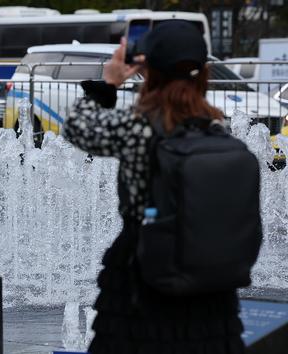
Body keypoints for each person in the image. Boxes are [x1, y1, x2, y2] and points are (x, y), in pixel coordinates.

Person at [63, 21, 246, 354]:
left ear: (150, 73)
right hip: (210, 296)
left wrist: (109, 82)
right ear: (203, 74)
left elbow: (79, 127)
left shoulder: (139, 129)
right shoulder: (218, 129)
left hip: (143, 282)